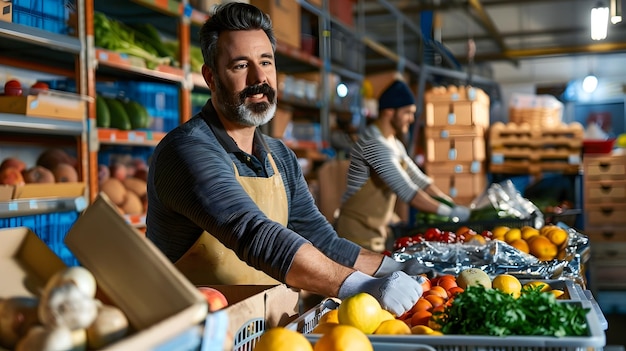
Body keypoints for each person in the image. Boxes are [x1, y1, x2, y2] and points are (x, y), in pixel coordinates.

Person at [145, 2, 427, 316]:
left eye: (266, 62)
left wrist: (395, 268)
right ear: (211, 78)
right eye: (240, 65)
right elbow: (254, 234)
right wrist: (357, 286)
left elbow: (323, 242)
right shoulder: (187, 151)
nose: (259, 77)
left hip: (268, 330)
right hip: (199, 332)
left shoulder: (280, 157)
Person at [335, 78, 471, 252]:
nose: (411, 119)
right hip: (355, 235)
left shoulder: (394, 143)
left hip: (375, 232)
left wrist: (449, 202)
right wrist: (449, 213)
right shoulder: (373, 144)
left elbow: (419, 180)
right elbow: (407, 191)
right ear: (389, 112)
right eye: (407, 112)